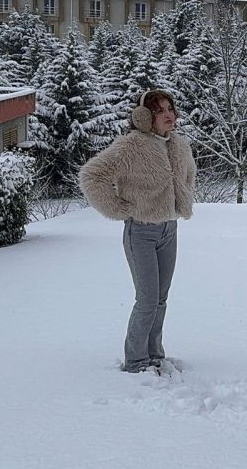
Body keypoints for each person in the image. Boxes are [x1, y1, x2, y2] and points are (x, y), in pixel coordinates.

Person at [79, 89, 197, 375]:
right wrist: (118, 209)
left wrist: (184, 199)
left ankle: (155, 354)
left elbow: (190, 173)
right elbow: (91, 176)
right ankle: (135, 361)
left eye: (171, 108)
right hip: (140, 232)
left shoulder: (178, 144)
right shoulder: (130, 146)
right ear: (144, 117)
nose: (169, 114)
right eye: (160, 110)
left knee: (161, 298)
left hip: (169, 228)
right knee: (146, 299)